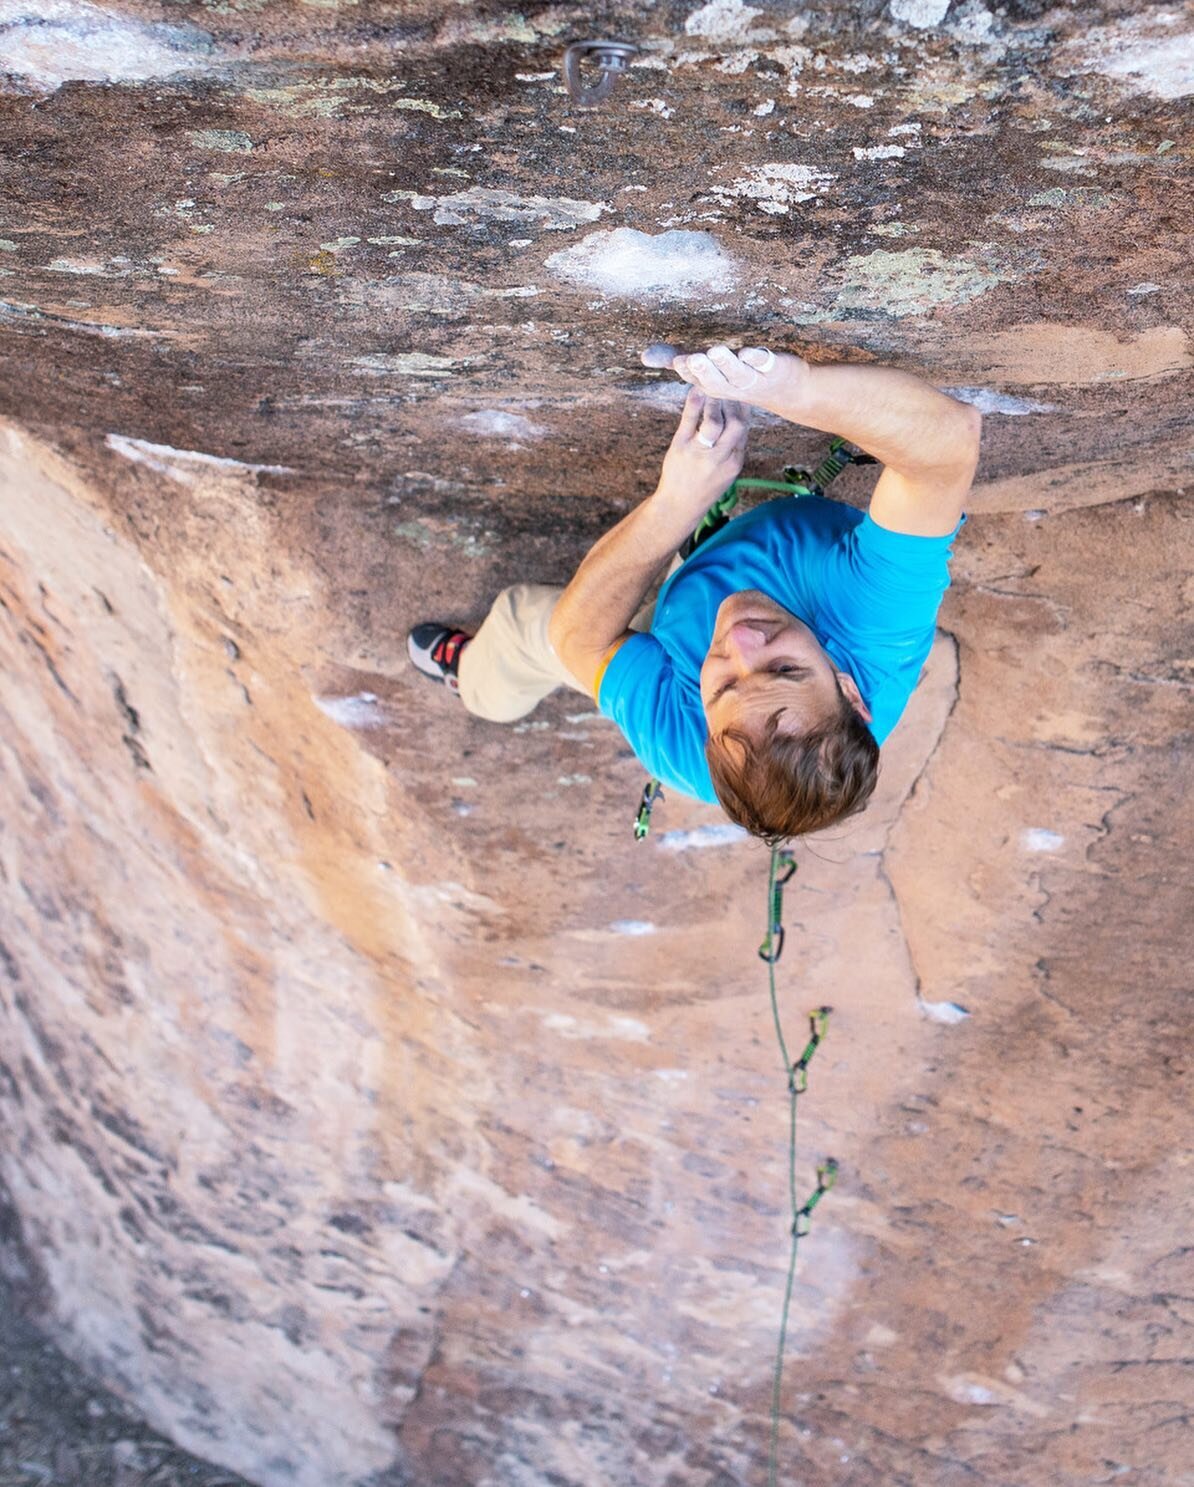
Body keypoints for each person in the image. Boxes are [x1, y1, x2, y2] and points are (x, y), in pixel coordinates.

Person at [407, 343, 982, 844]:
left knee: (520, 627)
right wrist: (789, 385)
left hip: (677, 623)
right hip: (712, 601)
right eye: (785, 670)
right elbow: (946, 445)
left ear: (706, 726)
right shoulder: (873, 621)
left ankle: (477, 686)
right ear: (851, 692)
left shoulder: (687, 750)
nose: (740, 641)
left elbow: (574, 639)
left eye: (726, 685)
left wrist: (679, 501)